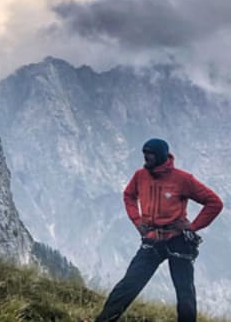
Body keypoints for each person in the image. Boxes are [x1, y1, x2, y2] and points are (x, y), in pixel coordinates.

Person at [94, 138, 223, 322]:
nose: (145, 157)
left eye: (150, 154)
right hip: (152, 238)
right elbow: (129, 195)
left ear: (161, 156)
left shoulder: (183, 179)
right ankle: (104, 320)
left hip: (178, 239)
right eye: (144, 153)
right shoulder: (140, 176)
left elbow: (215, 203)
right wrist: (138, 222)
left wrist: (193, 226)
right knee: (129, 284)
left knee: (184, 292)